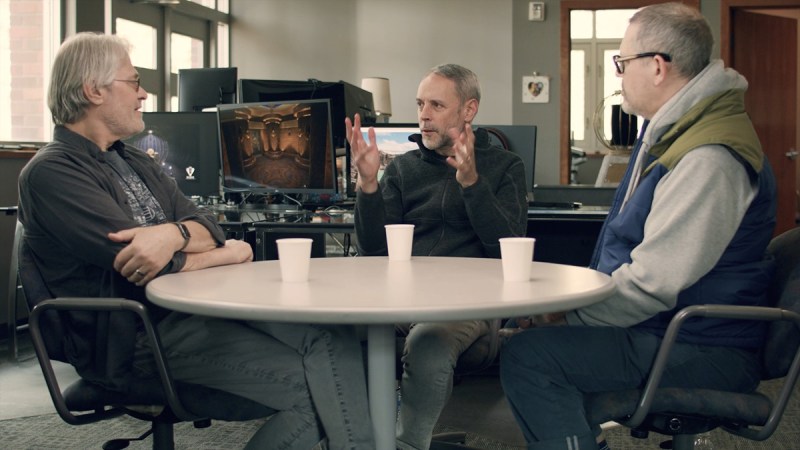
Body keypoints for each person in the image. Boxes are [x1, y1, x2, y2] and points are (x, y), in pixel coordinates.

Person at [18, 32, 375, 450]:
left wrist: (174, 234)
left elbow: (206, 224)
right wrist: (222, 253)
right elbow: (145, 266)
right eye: (134, 83)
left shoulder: (131, 159)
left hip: (189, 314)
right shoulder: (53, 173)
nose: (144, 94)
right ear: (93, 90)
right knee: (316, 389)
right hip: (137, 337)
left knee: (336, 338)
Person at [499, 3, 777, 450]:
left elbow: (651, 285)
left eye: (622, 63)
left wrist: (564, 315)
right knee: (533, 332)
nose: (618, 75)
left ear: (658, 67)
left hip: (700, 345)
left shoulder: (708, 156)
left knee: (530, 356)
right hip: (668, 330)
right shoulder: (674, 132)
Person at [346, 63, 528, 449]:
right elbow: (373, 250)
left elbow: (507, 248)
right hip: (401, 299)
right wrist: (368, 185)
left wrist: (472, 185)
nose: (424, 116)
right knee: (327, 333)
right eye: (420, 104)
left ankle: (408, 445)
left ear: (468, 110)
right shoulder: (403, 169)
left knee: (429, 340)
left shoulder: (504, 166)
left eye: (436, 105)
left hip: (469, 304)